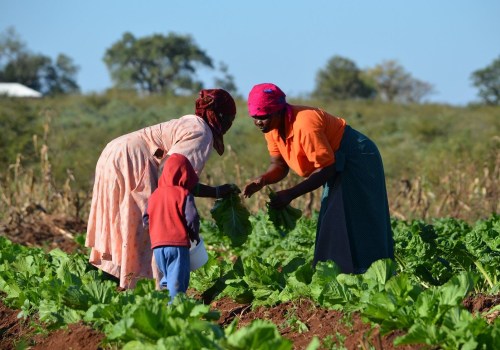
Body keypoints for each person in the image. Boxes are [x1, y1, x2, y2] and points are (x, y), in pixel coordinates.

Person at [86, 88, 238, 289]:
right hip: (134, 160)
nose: (229, 125)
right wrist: (184, 211)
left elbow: (180, 177)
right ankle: (156, 290)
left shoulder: (190, 123)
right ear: (218, 116)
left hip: (114, 153)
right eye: (229, 119)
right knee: (152, 226)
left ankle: (119, 286)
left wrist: (216, 192)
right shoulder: (202, 132)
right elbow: (173, 171)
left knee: (122, 222)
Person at [243, 83, 394, 274]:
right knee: (334, 216)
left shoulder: (305, 124)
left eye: (263, 116)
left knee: (359, 213)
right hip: (335, 159)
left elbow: (326, 169)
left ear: (279, 111)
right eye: (255, 117)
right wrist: (262, 180)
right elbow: (279, 165)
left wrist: (291, 193)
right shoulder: (272, 130)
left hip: (358, 156)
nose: (258, 122)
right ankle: (341, 272)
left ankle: (372, 271)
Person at [143, 153, 200, 301]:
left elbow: (146, 219)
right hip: (177, 246)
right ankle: (175, 311)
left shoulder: (154, 195)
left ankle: (164, 306)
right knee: (177, 281)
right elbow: (192, 218)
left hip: (157, 247)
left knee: (167, 278)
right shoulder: (183, 194)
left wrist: (157, 228)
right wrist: (194, 234)